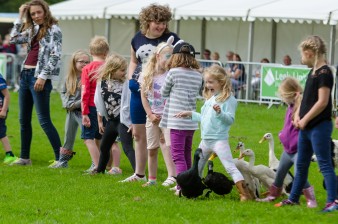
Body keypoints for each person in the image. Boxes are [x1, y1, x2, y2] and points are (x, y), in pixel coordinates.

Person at [275, 35, 338, 212]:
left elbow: (323, 102)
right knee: (301, 164)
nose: (301, 59)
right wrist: (297, 116)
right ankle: (293, 199)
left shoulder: (325, 73)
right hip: (306, 128)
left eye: (302, 55)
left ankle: (332, 202)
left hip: (319, 127)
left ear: (309, 53)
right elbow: (305, 99)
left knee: (324, 163)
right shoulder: (313, 72)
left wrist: (305, 119)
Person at [174, 65, 253, 201]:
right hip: (205, 140)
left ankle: (244, 194)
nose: (207, 85)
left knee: (229, 167)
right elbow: (204, 118)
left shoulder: (229, 100)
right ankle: (193, 191)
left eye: (211, 82)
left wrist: (220, 113)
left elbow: (230, 120)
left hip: (219, 140)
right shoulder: (210, 99)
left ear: (221, 82)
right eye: (206, 82)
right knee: (197, 168)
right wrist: (190, 114)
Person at [121, 3, 180, 182]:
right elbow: (133, 60)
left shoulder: (172, 38)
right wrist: (132, 78)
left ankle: (172, 175)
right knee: (139, 134)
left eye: (164, 22)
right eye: (157, 22)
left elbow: (177, 61)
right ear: (147, 21)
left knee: (163, 136)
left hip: (161, 95)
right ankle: (139, 174)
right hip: (138, 91)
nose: (161, 26)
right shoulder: (137, 38)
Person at [10, 0, 62, 166]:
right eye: (33, 14)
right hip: (25, 75)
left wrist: (42, 76)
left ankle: (62, 159)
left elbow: (56, 55)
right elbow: (13, 39)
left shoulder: (55, 30)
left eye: (39, 12)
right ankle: (25, 158)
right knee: (23, 120)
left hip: (38, 77)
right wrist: (20, 17)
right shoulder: (32, 29)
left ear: (45, 11)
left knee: (44, 121)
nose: (36, 16)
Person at [256, 77, 317, 207]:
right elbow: (287, 127)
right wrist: (282, 135)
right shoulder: (289, 107)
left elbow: (301, 128)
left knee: (299, 174)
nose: (282, 99)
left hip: (298, 150)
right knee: (279, 173)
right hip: (288, 150)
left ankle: (311, 199)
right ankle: (273, 195)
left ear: (291, 94)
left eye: (283, 96)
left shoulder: (302, 108)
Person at [159, 41, 203, 195]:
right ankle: (187, 183)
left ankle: (182, 187)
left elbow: (164, 92)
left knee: (177, 155)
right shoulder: (198, 75)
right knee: (186, 154)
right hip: (191, 121)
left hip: (176, 120)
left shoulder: (173, 73)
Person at [139, 40, 176, 187]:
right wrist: (150, 115)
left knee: (169, 146)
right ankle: (152, 179)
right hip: (152, 117)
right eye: (167, 56)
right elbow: (143, 96)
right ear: (157, 56)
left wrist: (165, 115)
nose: (170, 59)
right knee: (152, 149)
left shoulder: (171, 75)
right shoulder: (147, 75)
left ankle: (172, 176)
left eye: (172, 56)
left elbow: (172, 97)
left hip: (167, 117)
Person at [52, 50, 91, 168]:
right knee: (68, 136)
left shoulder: (89, 78)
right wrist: (66, 103)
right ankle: (63, 161)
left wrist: (75, 104)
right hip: (71, 112)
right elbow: (63, 92)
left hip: (83, 113)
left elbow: (88, 97)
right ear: (74, 63)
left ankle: (96, 162)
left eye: (87, 62)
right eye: (81, 61)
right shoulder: (68, 78)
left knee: (88, 138)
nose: (84, 64)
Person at [92, 53, 127, 174]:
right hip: (111, 121)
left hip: (123, 121)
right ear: (112, 69)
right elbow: (99, 104)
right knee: (105, 146)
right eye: (122, 70)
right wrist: (100, 120)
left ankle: (138, 173)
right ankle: (100, 170)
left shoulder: (125, 84)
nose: (124, 73)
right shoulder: (102, 83)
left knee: (127, 148)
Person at [81, 36, 109, 170]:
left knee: (88, 138)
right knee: (104, 137)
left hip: (92, 106)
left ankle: (98, 166)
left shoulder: (87, 68)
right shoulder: (109, 67)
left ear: (91, 52)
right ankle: (109, 165)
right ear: (106, 52)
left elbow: (85, 91)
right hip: (108, 107)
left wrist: (84, 112)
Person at [0, 72, 17, 164]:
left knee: (1, 132)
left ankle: (10, 155)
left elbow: (7, 95)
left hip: (0, 111)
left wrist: (3, 110)